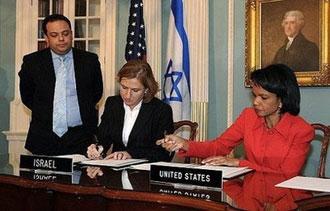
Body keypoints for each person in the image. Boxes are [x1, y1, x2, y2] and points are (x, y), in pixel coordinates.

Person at [158, 64, 314, 177]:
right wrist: (184, 143)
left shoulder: (302, 130)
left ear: (282, 101)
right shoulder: (249, 116)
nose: (255, 102)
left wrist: (239, 163)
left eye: (263, 97)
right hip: (251, 193)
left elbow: (286, 174)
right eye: (254, 95)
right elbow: (219, 147)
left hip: (284, 199)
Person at [19, 14, 103, 155]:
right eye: (54, 35)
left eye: (65, 33)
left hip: (81, 139)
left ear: (71, 34)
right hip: (43, 138)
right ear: (46, 38)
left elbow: (96, 93)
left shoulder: (90, 60)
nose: (61, 39)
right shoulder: (32, 62)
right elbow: (27, 97)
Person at [87, 60, 174, 162]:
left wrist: (131, 154)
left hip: (145, 172)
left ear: (146, 89)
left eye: (135, 90)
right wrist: (97, 148)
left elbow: (163, 152)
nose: (127, 95)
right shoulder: (113, 104)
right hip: (116, 171)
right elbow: (103, 138)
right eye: (124, 87)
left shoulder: (161, 110)